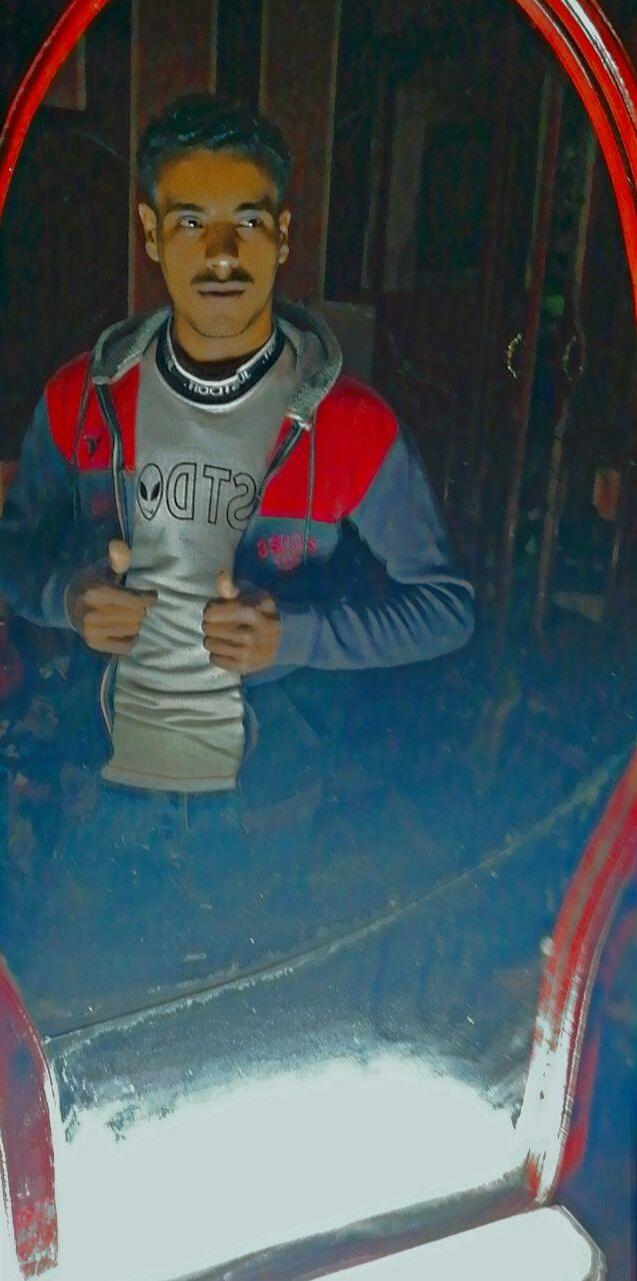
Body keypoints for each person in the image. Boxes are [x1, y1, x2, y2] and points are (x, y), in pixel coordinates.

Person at [0, 94, 474, 1015]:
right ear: (151, 233)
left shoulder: (352, 426)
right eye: (190, 222)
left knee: (237, 1021)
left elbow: (446, 610)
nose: (220, 253)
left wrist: (294, 635)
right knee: (82, 1017)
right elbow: (11, 552)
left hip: (262, 812)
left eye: (247, 222)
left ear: (283, 234)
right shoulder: (79, 400)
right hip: (94, 792)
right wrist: (66, 596)